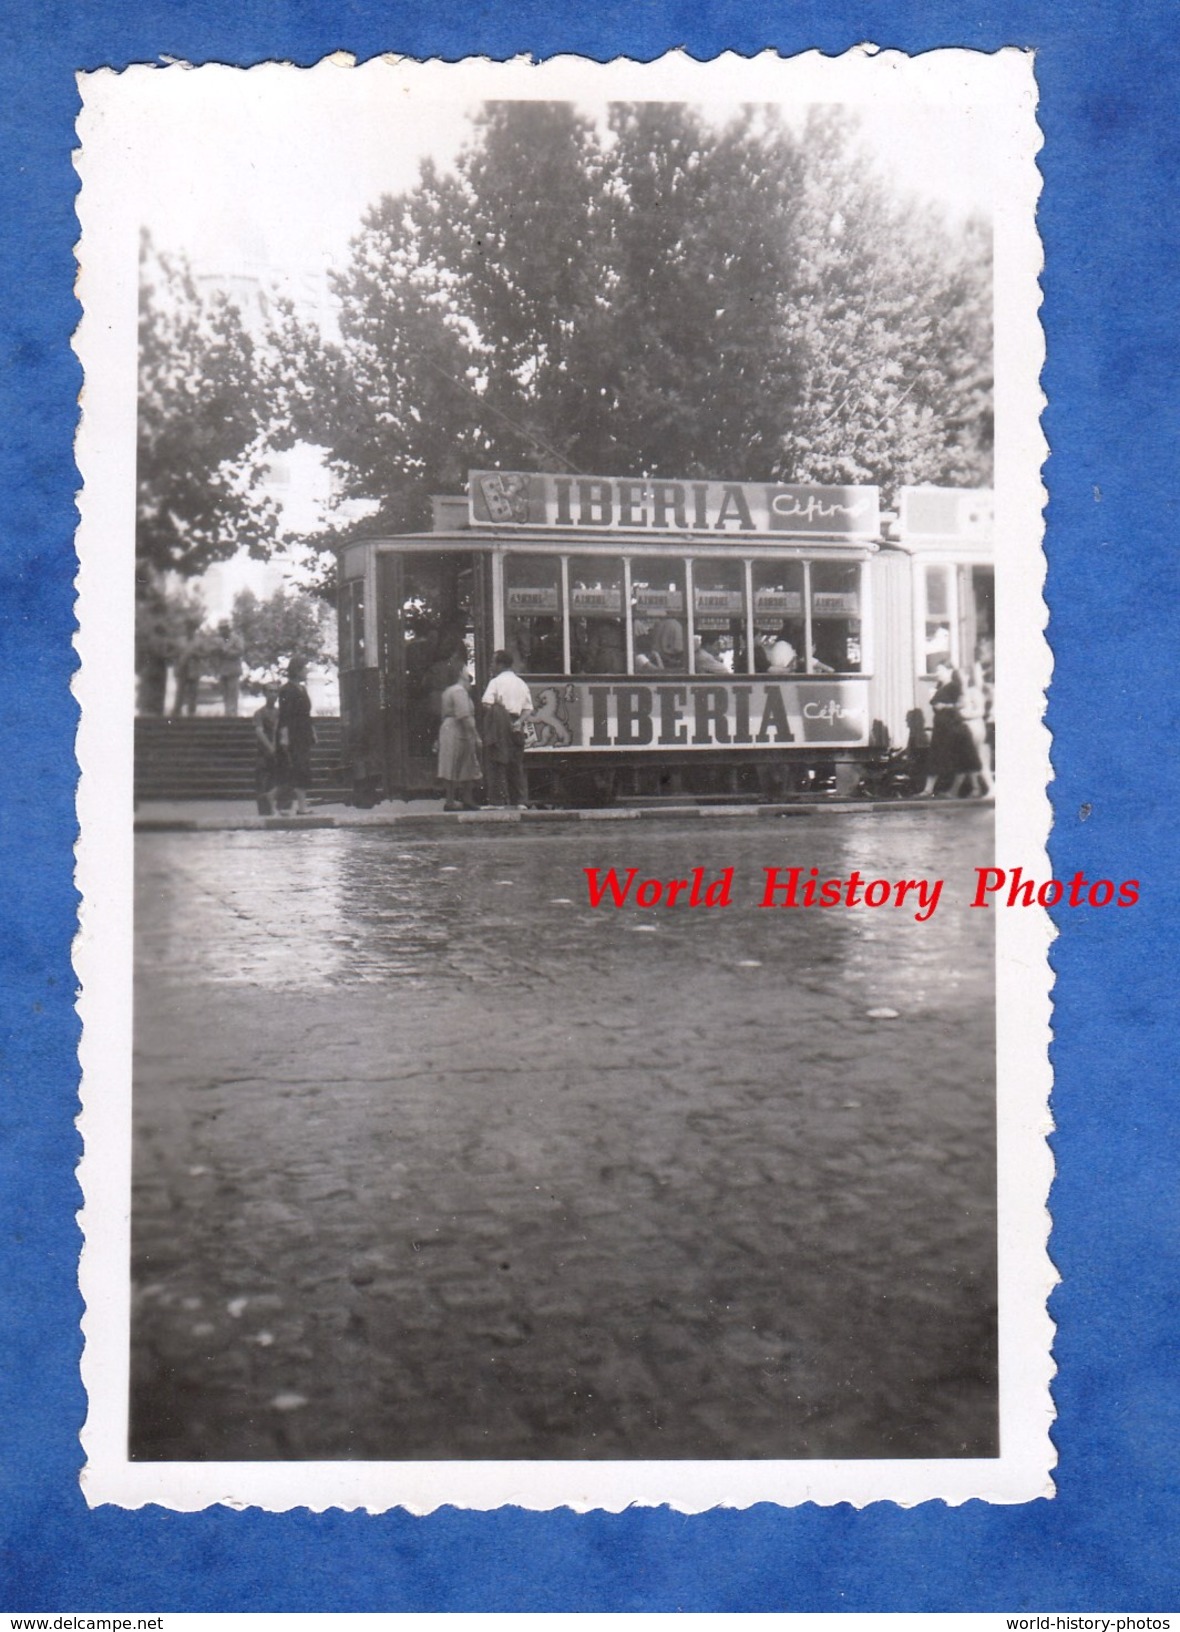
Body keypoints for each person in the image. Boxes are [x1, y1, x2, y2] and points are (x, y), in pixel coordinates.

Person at [481, 649, 533, 809]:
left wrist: (498, 714)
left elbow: (486, 703)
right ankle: (520, 801)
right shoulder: (521, 683)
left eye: (493, 662)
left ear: (500, 664)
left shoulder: (496, 682)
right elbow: (528, 708)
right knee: (516, 763)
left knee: (497, 761)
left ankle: (497, 801)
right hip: (516, 722)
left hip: (500, 723)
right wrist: (518, 722)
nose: (491, 665)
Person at [921, 661, 980, 798]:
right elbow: (934, 704)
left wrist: (945, 706)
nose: (937, 674)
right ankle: (928, 790)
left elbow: (962, 704)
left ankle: (974, 788)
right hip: (941, 728)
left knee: (964, 757)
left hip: (953, 727)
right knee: (936, 757)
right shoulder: (939, 686)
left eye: (940, 670)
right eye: (937, 671)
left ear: (949, 671)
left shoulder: (955, 686)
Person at [437, 659, 482, 811]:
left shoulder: (450, 691)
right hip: (458, 730)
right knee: (461, 762)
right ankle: (457, 800)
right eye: (464, 669)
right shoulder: (459, 691)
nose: (467, 671)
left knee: (455, 763)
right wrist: (475, 735)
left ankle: (454, 800)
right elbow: (464, 715)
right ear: (459, 673)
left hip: (450, 728)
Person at [276, 658, 316, 816]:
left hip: (303, 732)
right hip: (293, 733)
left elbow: (307, 712)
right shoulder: (286, 690)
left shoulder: (302, 689)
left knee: (303, 767)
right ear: (297, 670)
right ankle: (292, 806)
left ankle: (300, 805)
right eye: (304, 668)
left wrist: (313, 731)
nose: (306, 671)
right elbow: (284, 715)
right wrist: (284, 736)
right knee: (296, 767)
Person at [252, 686, 280, 815]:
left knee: (276, 781)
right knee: (262, 782)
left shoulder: (280, 712)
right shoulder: (259, 713)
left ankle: (276, 810)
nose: (273, 694)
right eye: (270, 691)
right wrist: (270, 747)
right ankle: (264, 812)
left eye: (275, 691)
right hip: (263, 753)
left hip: (278, 752)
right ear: (265, 693)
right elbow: (259, 731)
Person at [172, 621, 205, 717]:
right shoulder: (180, 641)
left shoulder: (199, 641)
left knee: (193, 692)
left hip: (194, 669)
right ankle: (177, 712)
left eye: (191, 628)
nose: (189, 630)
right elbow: (175, 654)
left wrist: (197, 654)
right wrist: (177, 666)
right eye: (187, 628)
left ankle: (191, 712)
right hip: (182, 668)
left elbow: (205, 654)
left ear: (194, 630)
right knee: (180, 691)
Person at [213, 620, 245, 716]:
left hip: (233, 670)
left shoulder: (236, 638)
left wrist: (226, 652)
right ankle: (227, 713)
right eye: (220, 629)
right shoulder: (219, 641)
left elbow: (240, 652)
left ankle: (233, 713)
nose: (222, 631)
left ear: (228, 629)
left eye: (224, 629)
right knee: (225, 693)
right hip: (223, 670)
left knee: (233, 693)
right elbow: (214, 652)